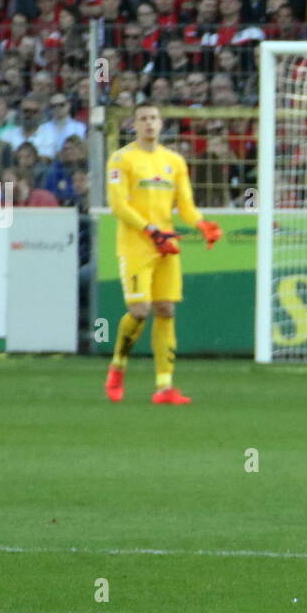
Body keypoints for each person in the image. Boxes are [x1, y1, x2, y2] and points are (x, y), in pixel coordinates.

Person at [104, 102, 222, 405]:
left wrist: (201, 223)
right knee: (139, 311)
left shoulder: (174, 161)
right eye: (143, 119)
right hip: (137, 245)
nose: (149, 123)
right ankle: (118, 365)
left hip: (166, 244)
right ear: (134, 124)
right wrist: (150, 230)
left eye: (154, 118)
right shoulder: (121, 159)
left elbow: (185, 204)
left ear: (161, 123)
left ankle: (164, 386)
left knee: (167, 309)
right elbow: (119, 205)